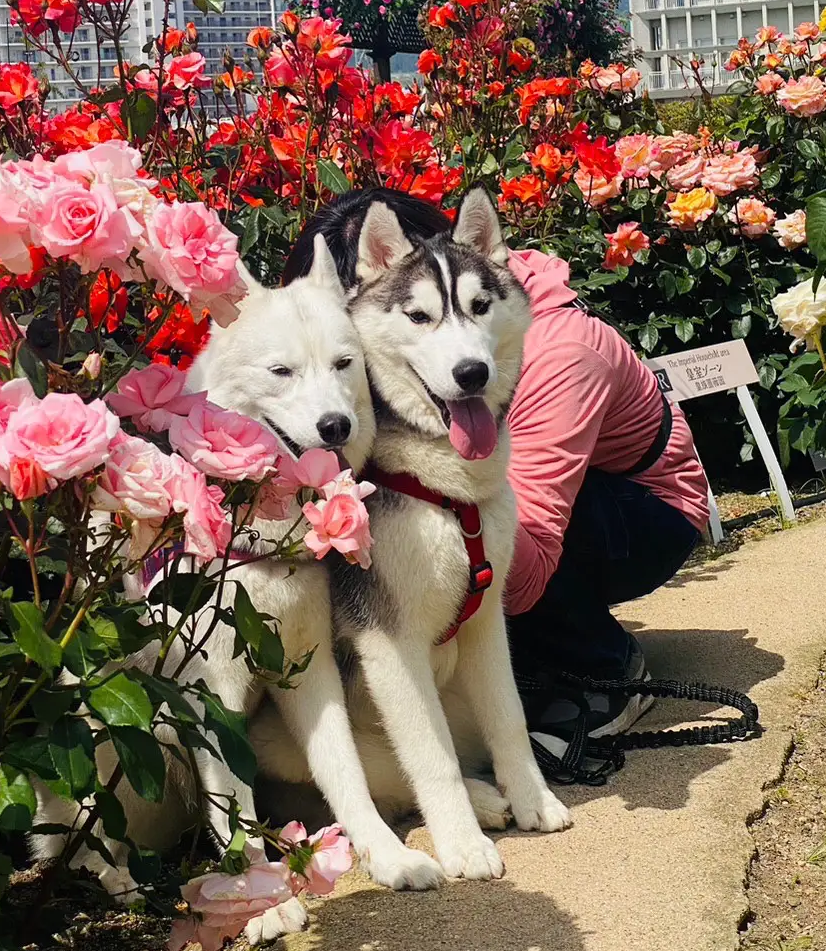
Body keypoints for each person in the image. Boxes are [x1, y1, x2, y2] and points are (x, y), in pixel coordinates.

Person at [281, 188, 711, 759]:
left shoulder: (560, 352)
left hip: (642, 515)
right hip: (550, 497)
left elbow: (523, 564)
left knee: (475, 508)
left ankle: (599, 664)